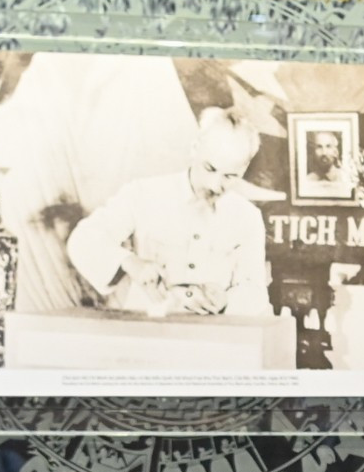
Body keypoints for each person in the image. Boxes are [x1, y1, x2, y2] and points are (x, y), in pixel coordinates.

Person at [65, 106, 270, 319]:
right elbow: (83, 240)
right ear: (195, 148)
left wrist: (227, 300)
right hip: (145, 337)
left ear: (244, 169)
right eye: (209, 169)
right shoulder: (142, 194)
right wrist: (129, 262)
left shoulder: (248, 217)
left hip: (213, 341)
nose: (215, 185)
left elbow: (255, 291)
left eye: (230, 176)